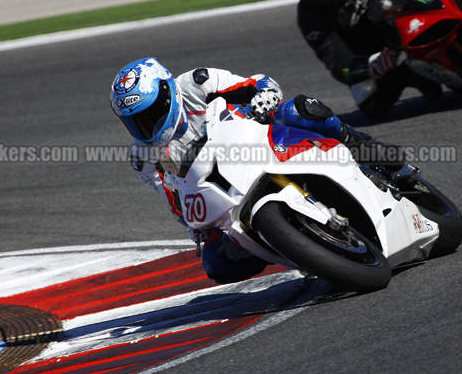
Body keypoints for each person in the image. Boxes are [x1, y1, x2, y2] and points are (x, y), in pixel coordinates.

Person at [110, 57, 404, 284]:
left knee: (298, 109)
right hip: (223, 184)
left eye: (150, 115)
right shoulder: (144, 158)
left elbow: (261, 83)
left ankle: (363, 146)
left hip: (257, 137)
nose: (146, 127)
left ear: (167, 93)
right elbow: (176, 205)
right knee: (217, 263)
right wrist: (198, 228)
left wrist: (262, 101)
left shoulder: (197, 83)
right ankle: (297, 247)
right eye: (135, 122)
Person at [294, 0, 462, 118]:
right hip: (367, 51)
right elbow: (338, 65)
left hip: (398, 17)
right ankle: (409, 74)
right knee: (372, 107)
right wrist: (372, 65)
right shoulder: (309, 16)